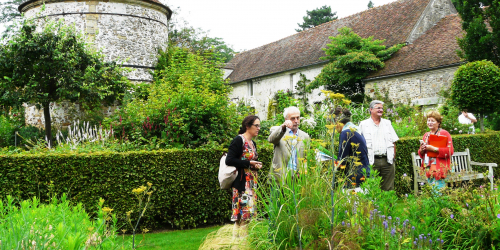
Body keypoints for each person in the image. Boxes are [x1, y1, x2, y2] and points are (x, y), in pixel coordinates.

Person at [226, 115, 262, 237]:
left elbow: (248, 162)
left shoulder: (253, 143)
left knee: (247, 217)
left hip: (251, 185)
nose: (259, 128)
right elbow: (229, 160)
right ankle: (240, 245)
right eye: (256, 125)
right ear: (247, 126)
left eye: (259, 126)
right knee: (242, 218)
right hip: (242, 185)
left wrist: (255, 165)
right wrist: (248, 163)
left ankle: (238, 244)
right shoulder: (239, 140)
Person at [359, 100, 399, 191]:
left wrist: (393, 158)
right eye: (378, 108)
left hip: (387, 161)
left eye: (382, 108)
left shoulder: (387, 123)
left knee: (388, 188)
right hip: (371, 161)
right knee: (371, 189)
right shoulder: (363, 124)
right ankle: (372, 206)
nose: (381, 110)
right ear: (371, 109)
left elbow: (393, 141)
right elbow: (359, 144)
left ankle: (388, 205)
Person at [268, 106, 310, 184]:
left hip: (297, 179)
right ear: (286, 120)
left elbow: (306, 157)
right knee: (276, 196)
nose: (296, 121)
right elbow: (271, 139)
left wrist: (302, 171)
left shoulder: (305, 136)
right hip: (279, 176)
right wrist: (283, 127)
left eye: (298, 118)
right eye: (293, 118)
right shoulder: (278, 131)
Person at [418, 110, 454, 191]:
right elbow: (421, 154)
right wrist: (422, 149)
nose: (430, 122)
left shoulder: (444, 133)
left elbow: (450, 151)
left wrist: (434, 149)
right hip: (428, 168)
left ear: (438, 123)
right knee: (432, 194)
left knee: (438, 193)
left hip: (440, 169)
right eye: (428, 120)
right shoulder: (426, 135)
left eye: (432, 121)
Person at [336, 108, 370, 188]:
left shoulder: (346, 133)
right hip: (363, 172)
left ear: (338, 122)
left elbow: (343, 159)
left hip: (355, 177)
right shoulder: (356, 129)